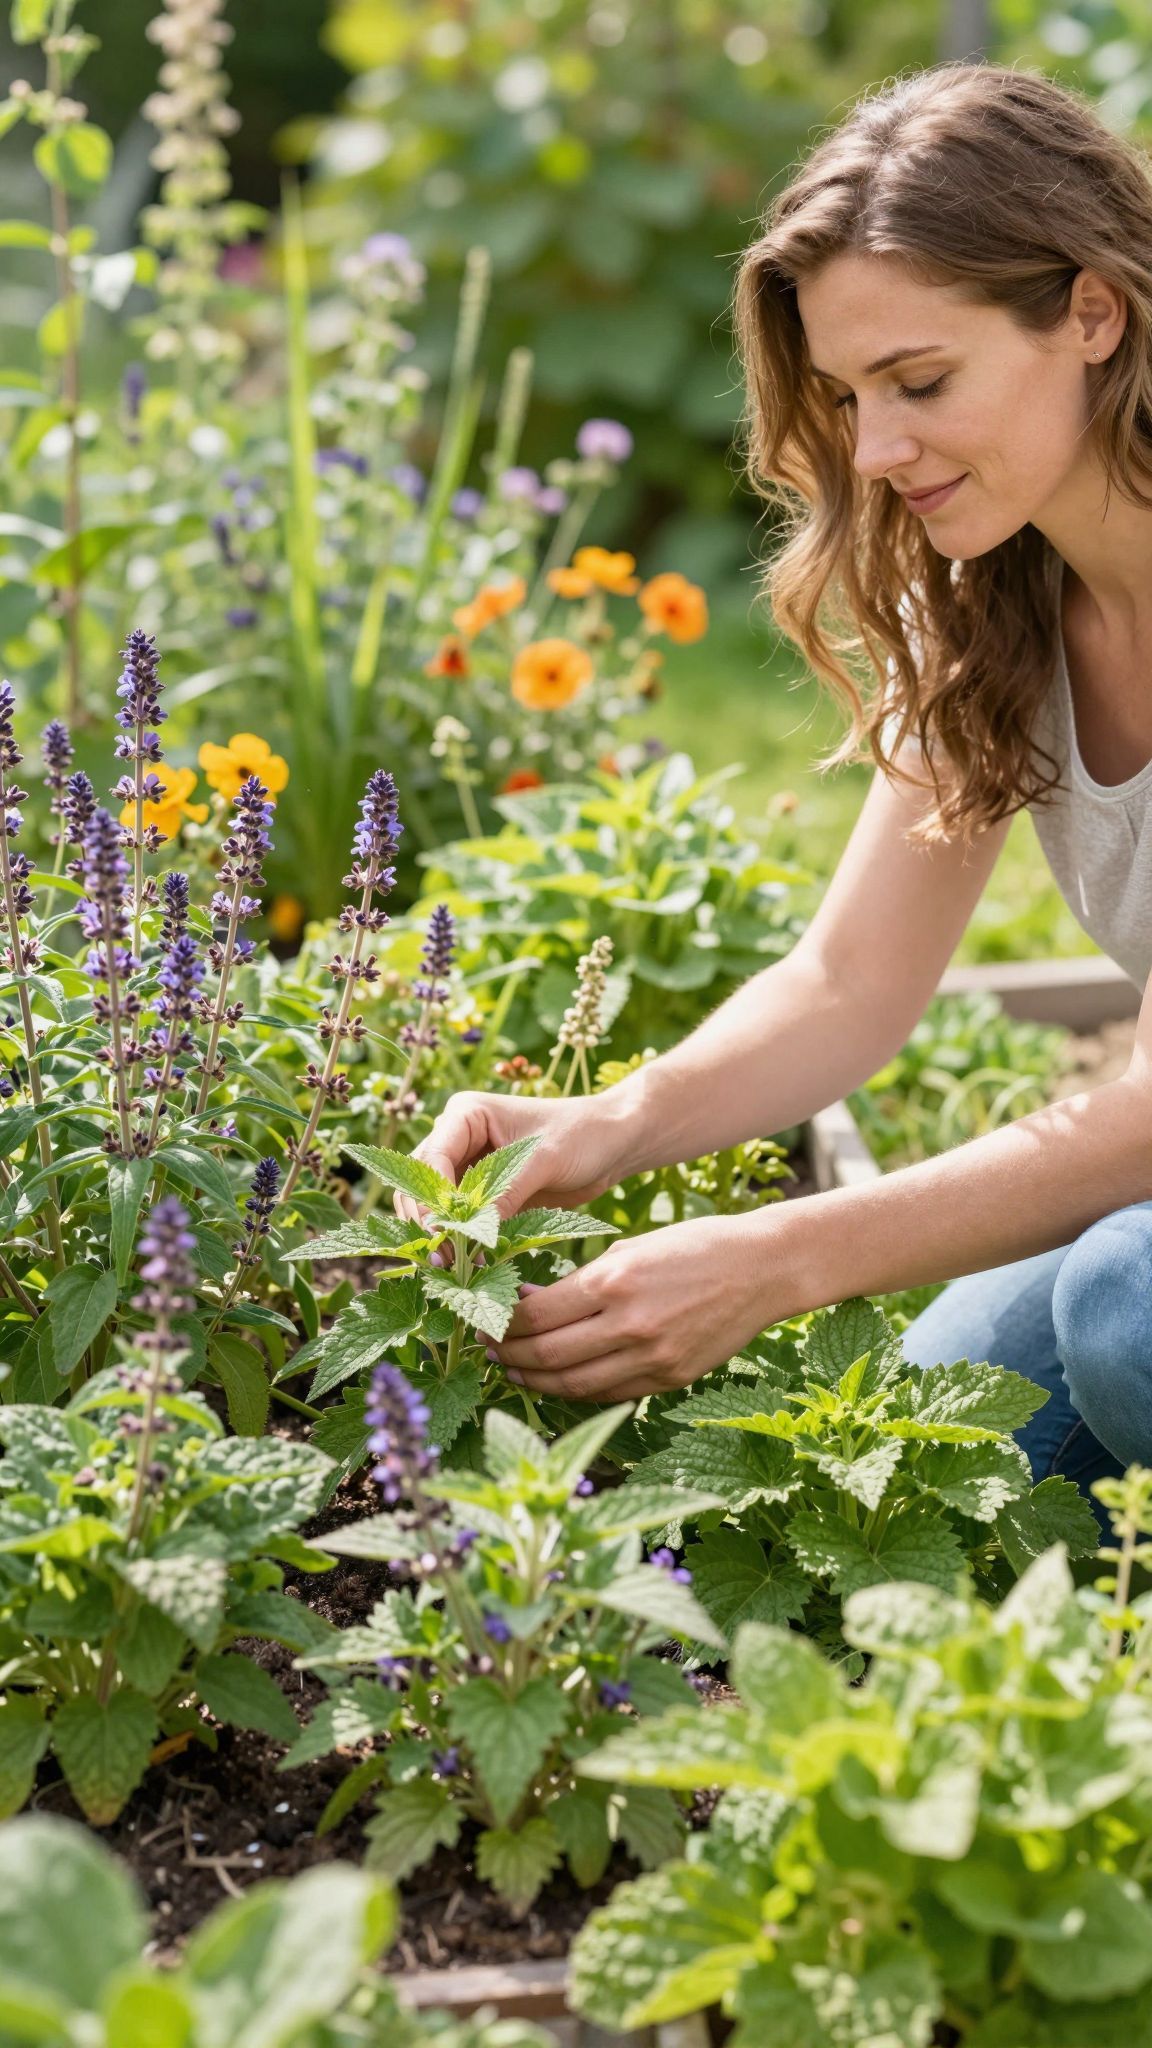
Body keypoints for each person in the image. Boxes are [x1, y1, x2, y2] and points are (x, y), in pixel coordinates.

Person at [402, 63, 1152, 1506]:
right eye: (851, 396)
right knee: (938, 1438)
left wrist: (776, 1259)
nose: (876, 452)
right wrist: (614, 1118)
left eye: (921, 382)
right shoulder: (997, 590)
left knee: (1125, 1309)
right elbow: (850, 979)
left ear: (1093, 314)